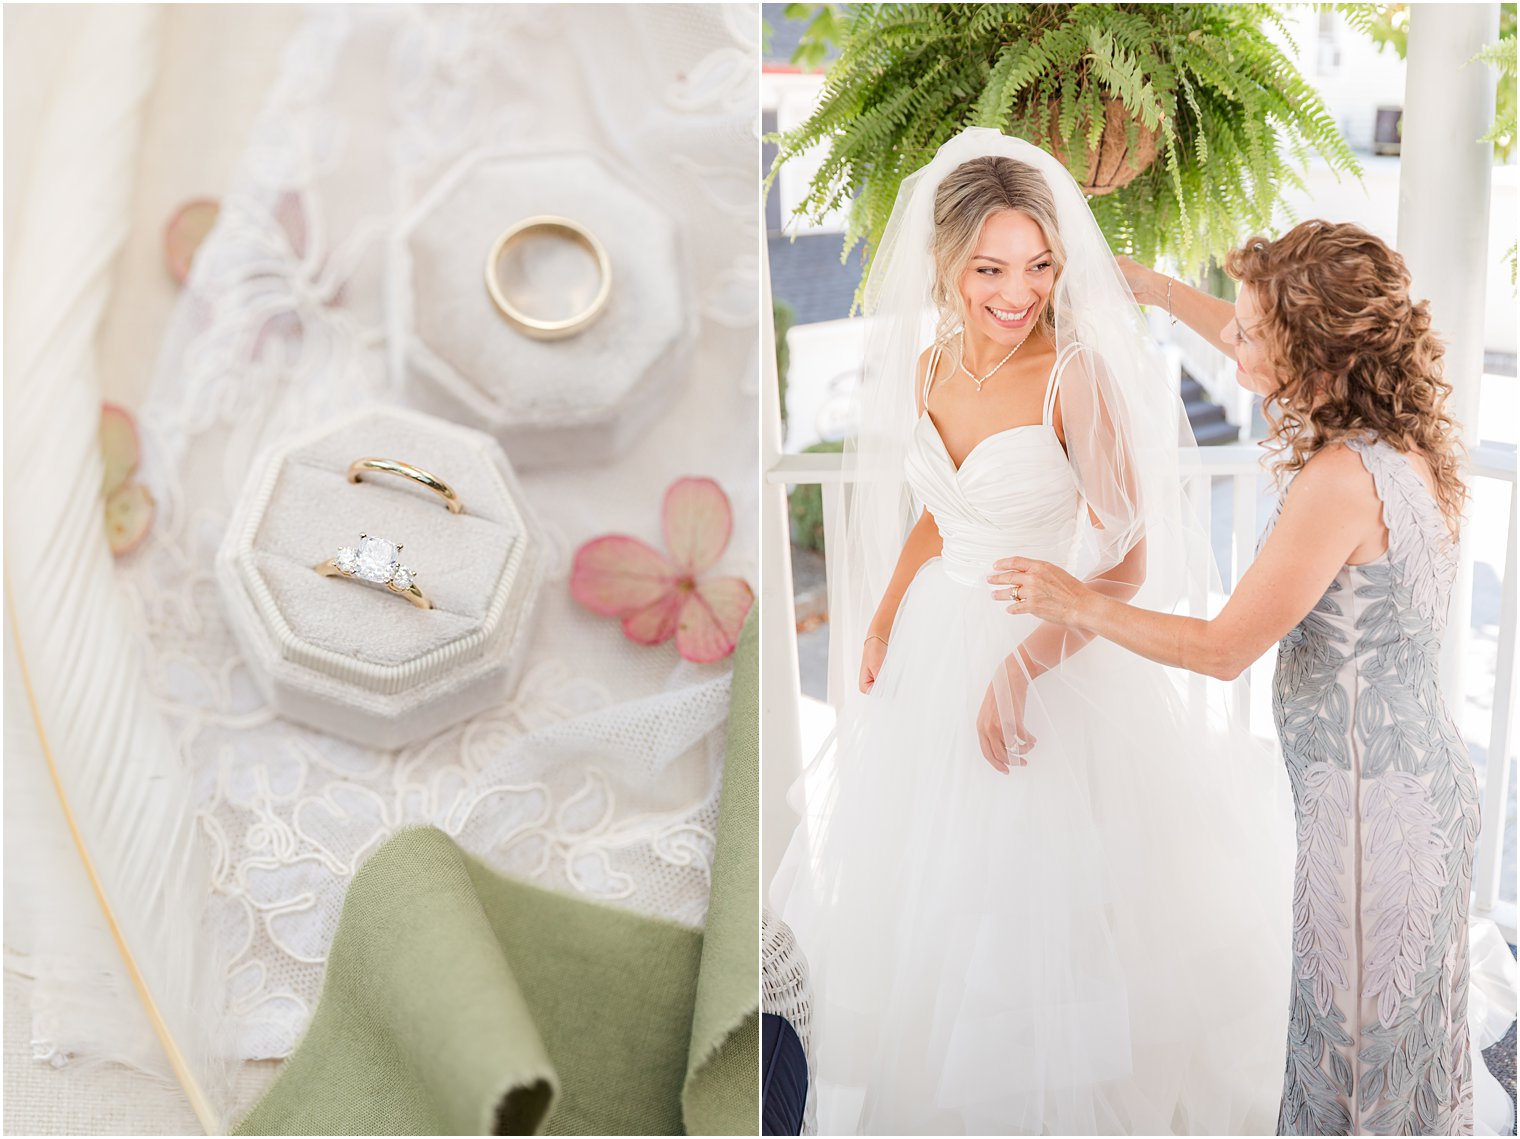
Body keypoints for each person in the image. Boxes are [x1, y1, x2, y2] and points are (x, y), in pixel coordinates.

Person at [770, 128, 1297, 1135]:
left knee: (1042, 914)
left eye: (1039, 266)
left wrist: (1020, 667)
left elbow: (1128, 558)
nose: (1016, 293)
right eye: (990, 268)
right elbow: (946, 508)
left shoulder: (1074, 376)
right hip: (932, 645)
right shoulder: (927, 366)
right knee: (934, 899)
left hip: (1044, 658)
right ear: (945, 265)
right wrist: (880, 615)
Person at [994, 222, 1516, 1135]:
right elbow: (1253, 348)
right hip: (1421, 792)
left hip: (1370, 827)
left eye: (1249, 338)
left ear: (1313, 363)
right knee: (1403, 1056)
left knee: (1354, 1070)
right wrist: (1154, 289)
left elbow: (1222, 647)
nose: (1231, 346)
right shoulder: (1399, 437)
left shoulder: (1338, 480)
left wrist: (1074, 600)